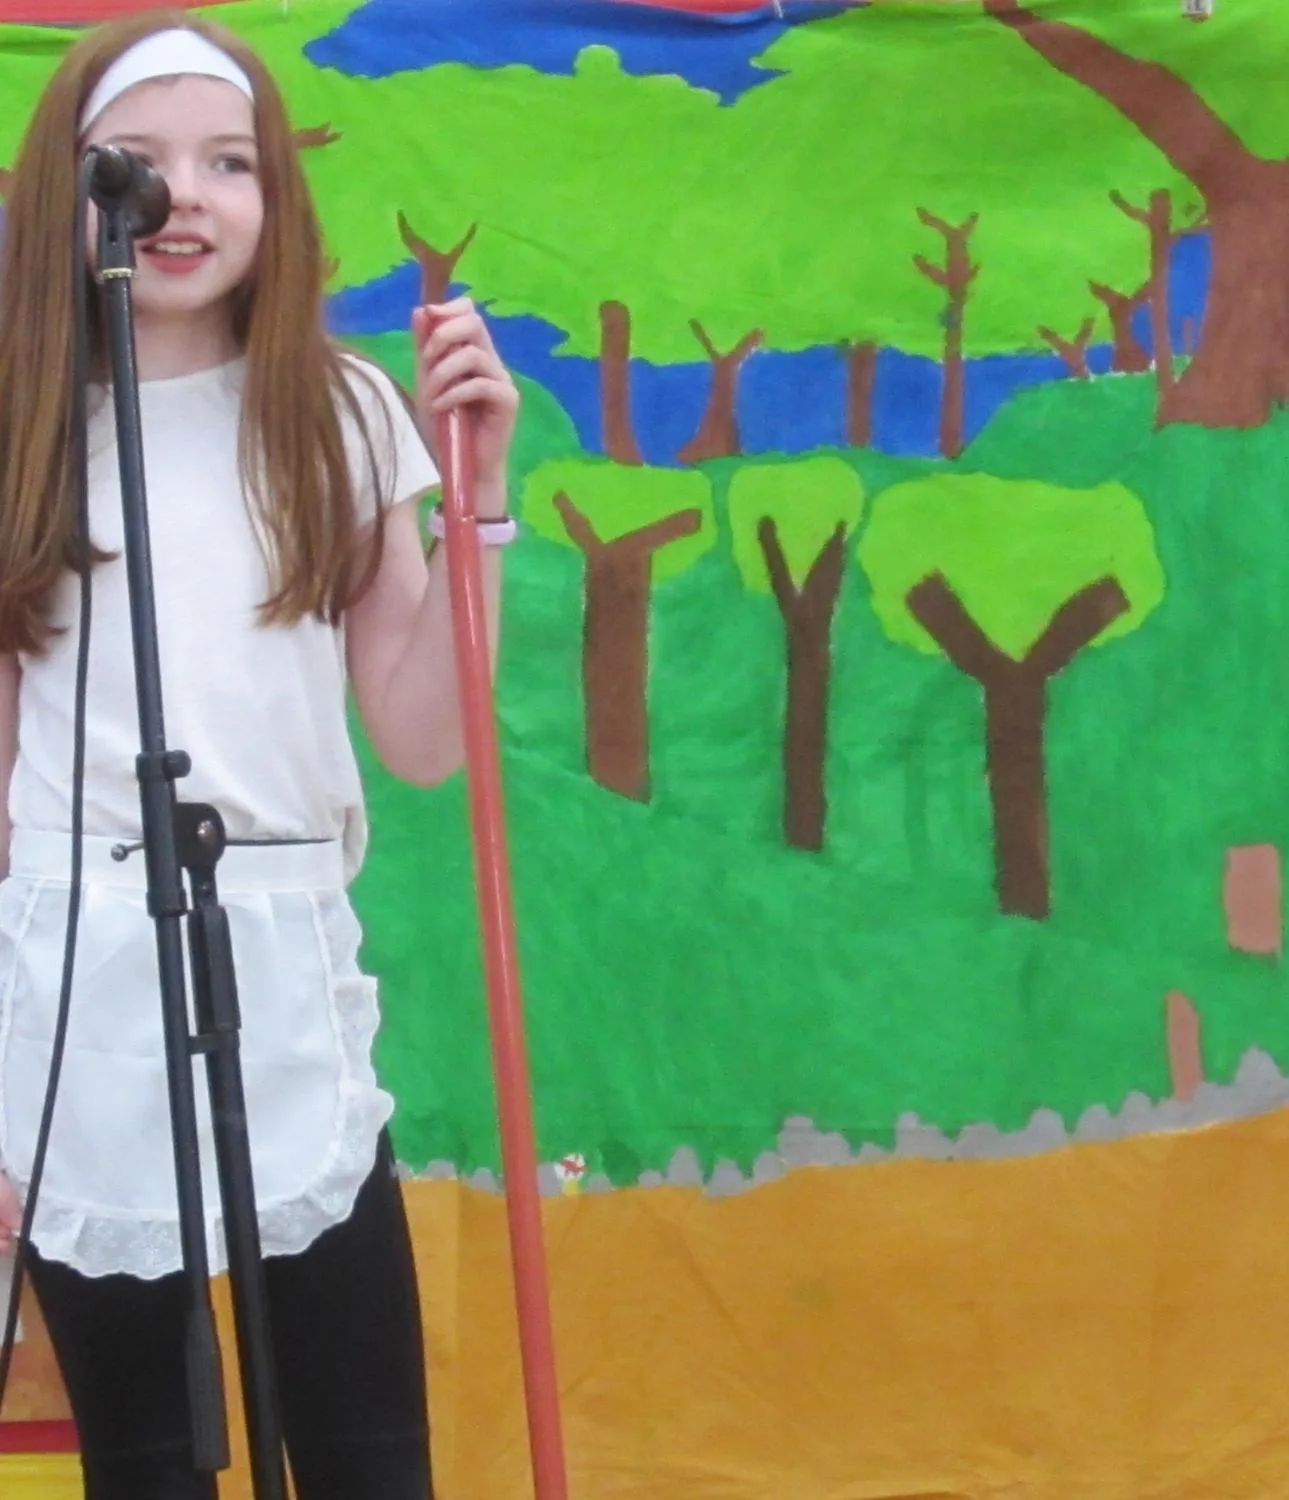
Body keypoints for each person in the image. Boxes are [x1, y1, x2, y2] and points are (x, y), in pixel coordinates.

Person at [0, 9, 519, 1498]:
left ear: (277, 195)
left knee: (364, 1452)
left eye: (230, 162)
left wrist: (477, 505)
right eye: (137, 161)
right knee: (148, 1462)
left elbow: (421, 736)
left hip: (282, 952)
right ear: (68, 188)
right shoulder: (24, 425)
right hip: (75, 961)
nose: (185, 196)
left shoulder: (335, 412)